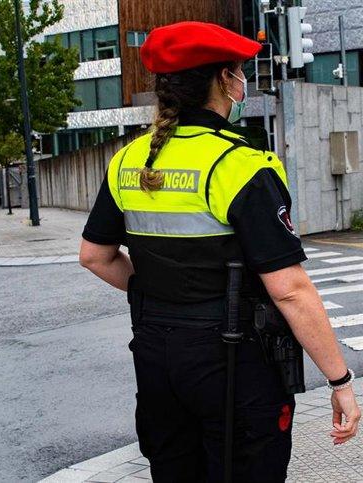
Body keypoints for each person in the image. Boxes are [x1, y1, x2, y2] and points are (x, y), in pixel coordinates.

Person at [78, 21, 360, 483]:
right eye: (239, 71)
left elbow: (94, 255)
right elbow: (289, 290)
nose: (241, 80)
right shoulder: (239, 164)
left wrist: (160, 292)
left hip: (156, 353)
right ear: (224, 80)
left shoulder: (129, 160)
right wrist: (340, 381)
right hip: (232, 358)